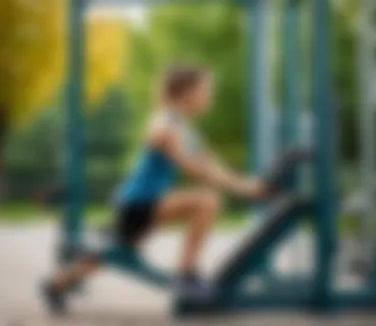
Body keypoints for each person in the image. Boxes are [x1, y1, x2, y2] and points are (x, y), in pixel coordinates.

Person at [43, 65, 309, 315]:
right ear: (187, 92)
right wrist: (240, 185)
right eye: (206, 91)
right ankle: (187, 273)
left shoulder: (186, 128)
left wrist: (255, 188)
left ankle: (55, 284)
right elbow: (189, 162)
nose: (210, 98)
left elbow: (213, 167)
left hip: (143, 203)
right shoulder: (165, 121)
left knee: (116, 255)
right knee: (206, 201)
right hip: (138, 204)